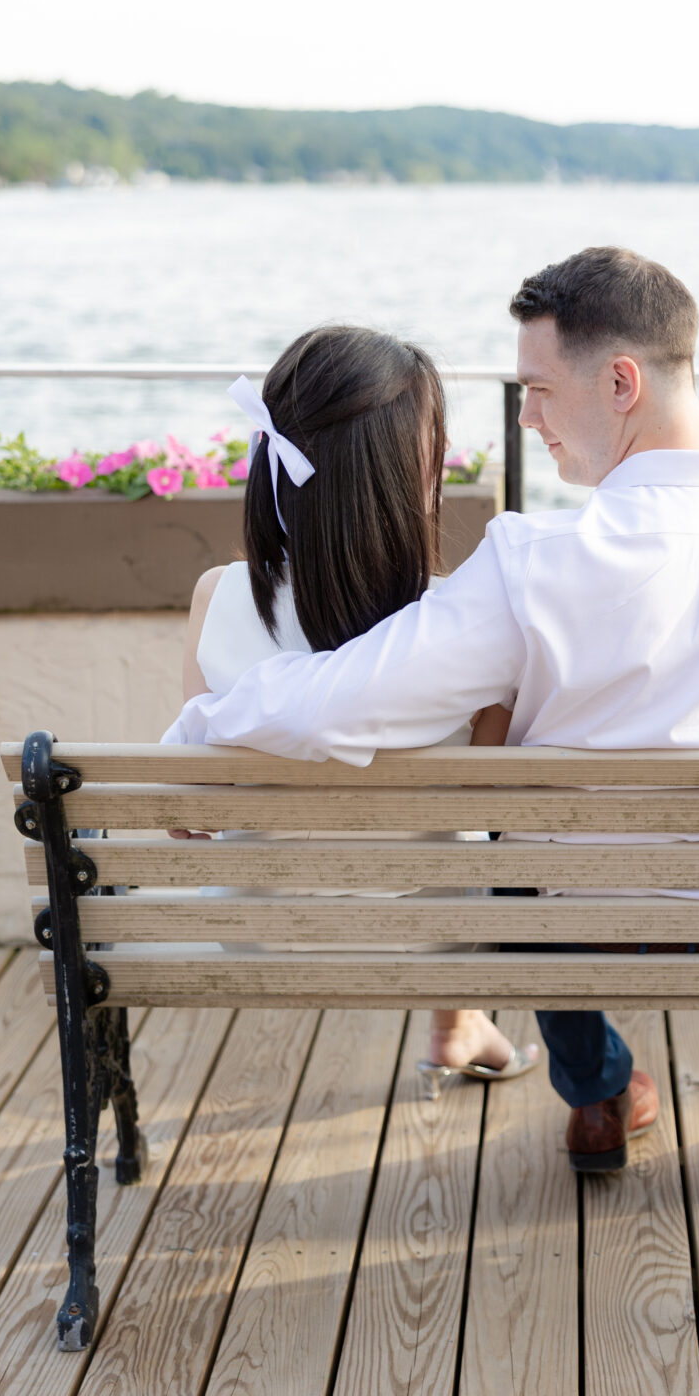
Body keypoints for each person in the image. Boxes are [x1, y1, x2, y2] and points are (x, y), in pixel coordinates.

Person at [165, 247, 699, 1181]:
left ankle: (598, 1093)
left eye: (535, 389)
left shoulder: (534, 561)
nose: (523, 416)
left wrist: (199, 730)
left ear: (619, 382)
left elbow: (337, 703)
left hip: (579, 924)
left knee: (523, 860)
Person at [169, 324, 538, 1091]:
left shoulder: (217, 597)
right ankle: (455, 1020)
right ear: (413, 481)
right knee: (465, 852)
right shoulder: (457, 626)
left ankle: (460, 1026)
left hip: (255, 928)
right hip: (432, 933)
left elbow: (197, 801)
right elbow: (493, 797)